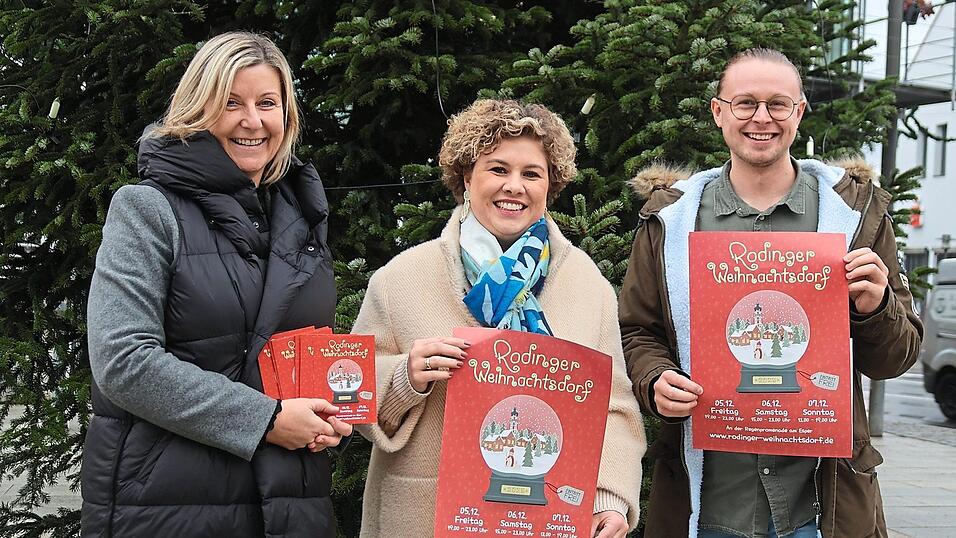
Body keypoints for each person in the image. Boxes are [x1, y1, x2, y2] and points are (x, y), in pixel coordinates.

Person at [619, 48, 923, 538]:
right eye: (745, 103)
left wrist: (876, 307)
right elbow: (637, 330)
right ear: (719, 112)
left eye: (778, 104)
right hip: (706, 505)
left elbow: (895, 358)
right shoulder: (670, 220)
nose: (762, 118)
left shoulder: (856, 217)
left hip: (819, 509)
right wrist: (654, 378)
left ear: (799, 113)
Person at [81, 32, 351, 537]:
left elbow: (301, 356)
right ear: (199, 109)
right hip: (167, 504)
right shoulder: (148, 209)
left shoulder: (300, 217)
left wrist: (327, 413)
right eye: (232, 103)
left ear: (286, 116)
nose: (252, 121)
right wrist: (267, 420)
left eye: (267, 103)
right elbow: (123, 361)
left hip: (290, 504)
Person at [354, 99, 646, 537]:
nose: (515, 186)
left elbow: (615, 408)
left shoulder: (589, 287)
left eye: (532, 174)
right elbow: (352, 390)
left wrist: (609, 498)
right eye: (497, 169)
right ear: (466, 176)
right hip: (425, 517)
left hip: (550, 518)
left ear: (552, 185)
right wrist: (404, 377)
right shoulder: (401, 279)